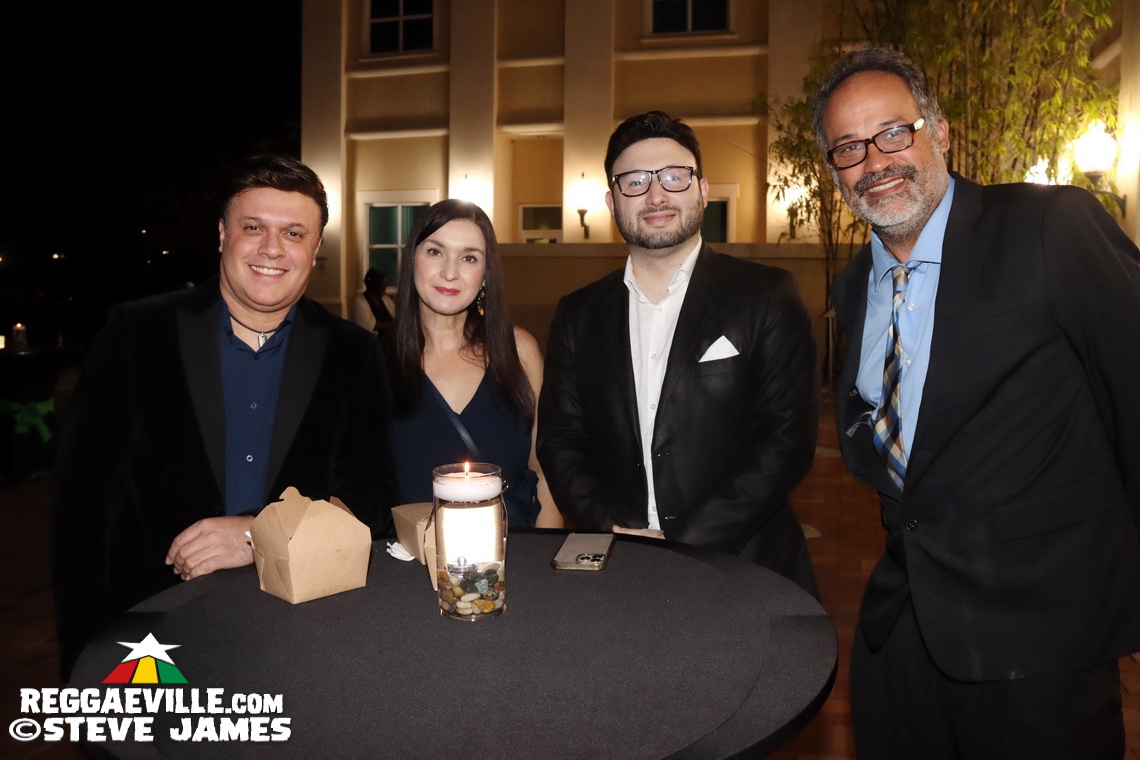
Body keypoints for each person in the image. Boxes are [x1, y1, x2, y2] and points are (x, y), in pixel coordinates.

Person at [816, 47, 1140, 759]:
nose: (876, 160)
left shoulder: (1050, 228)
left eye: (893, 132)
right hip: (903, 638)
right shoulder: (851, 286)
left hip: (1043, 649)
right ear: (835, 170)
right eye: (849, 147)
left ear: (939, 130)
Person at [53, 156, 397, 676]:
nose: (272, 249)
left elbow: (372, 493)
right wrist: (84, 659)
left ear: (316, 249)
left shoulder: (354, 353)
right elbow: (80, 508)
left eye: (294, 233)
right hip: (149, 629)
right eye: (253, 227)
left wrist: (260, 533)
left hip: (299, 629)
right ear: (221, 234)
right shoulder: (137, 333)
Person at [537, 111, 820, 595]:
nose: (655, 195)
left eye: (673, 176)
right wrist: (611, 532)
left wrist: (681, 543)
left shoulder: (767, 294)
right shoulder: (577, 312)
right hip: (615, 567)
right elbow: (561, 440)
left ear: (703, 190)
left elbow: (785, 441)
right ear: (612, 201)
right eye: (635, 181)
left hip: (744, 567)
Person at [386, 199, 561, 529]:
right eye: (435, 252)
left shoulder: (518, 350)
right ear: (412, 261)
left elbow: (545, 467)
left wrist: (544, 555)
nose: (450, 272)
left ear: (485, 275)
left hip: (516, 553)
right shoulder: (376, 362)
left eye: (469, 258)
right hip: (414, 563)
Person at [351, 267, 395, 334]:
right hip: (369, 342)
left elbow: (395, 315)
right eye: (382, 287)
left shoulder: (386, 300)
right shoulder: (359, 302)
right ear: (375, 286)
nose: (385, 289)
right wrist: (391, 324)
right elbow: (368, 325)